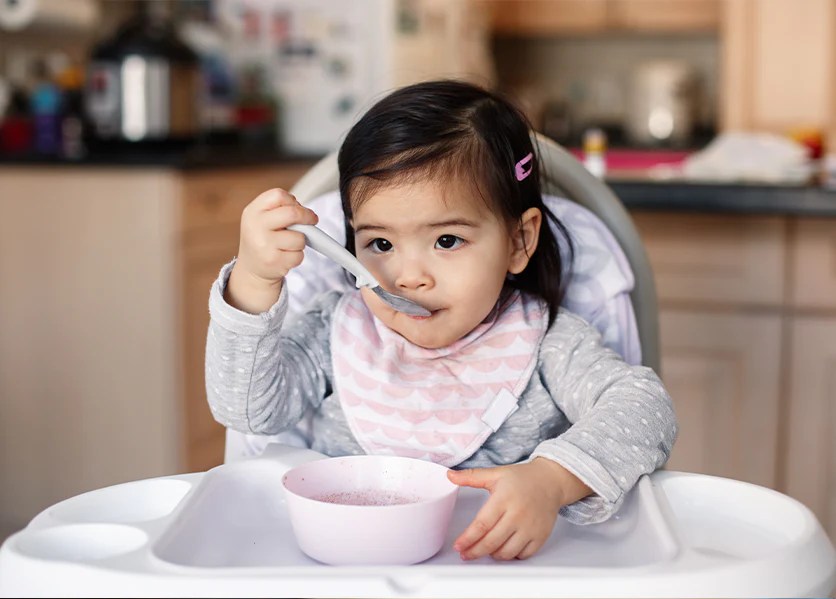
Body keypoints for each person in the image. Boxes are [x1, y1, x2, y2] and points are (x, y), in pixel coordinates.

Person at [206, 79, 678, 562]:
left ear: (518, 241)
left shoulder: (549, 342)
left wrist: (552, 480)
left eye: (447, 241)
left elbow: (645, 409)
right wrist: (253, 283)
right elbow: (249, 413)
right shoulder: (334, 330)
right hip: (350, 569)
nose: (409, 277)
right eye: (380, 244)